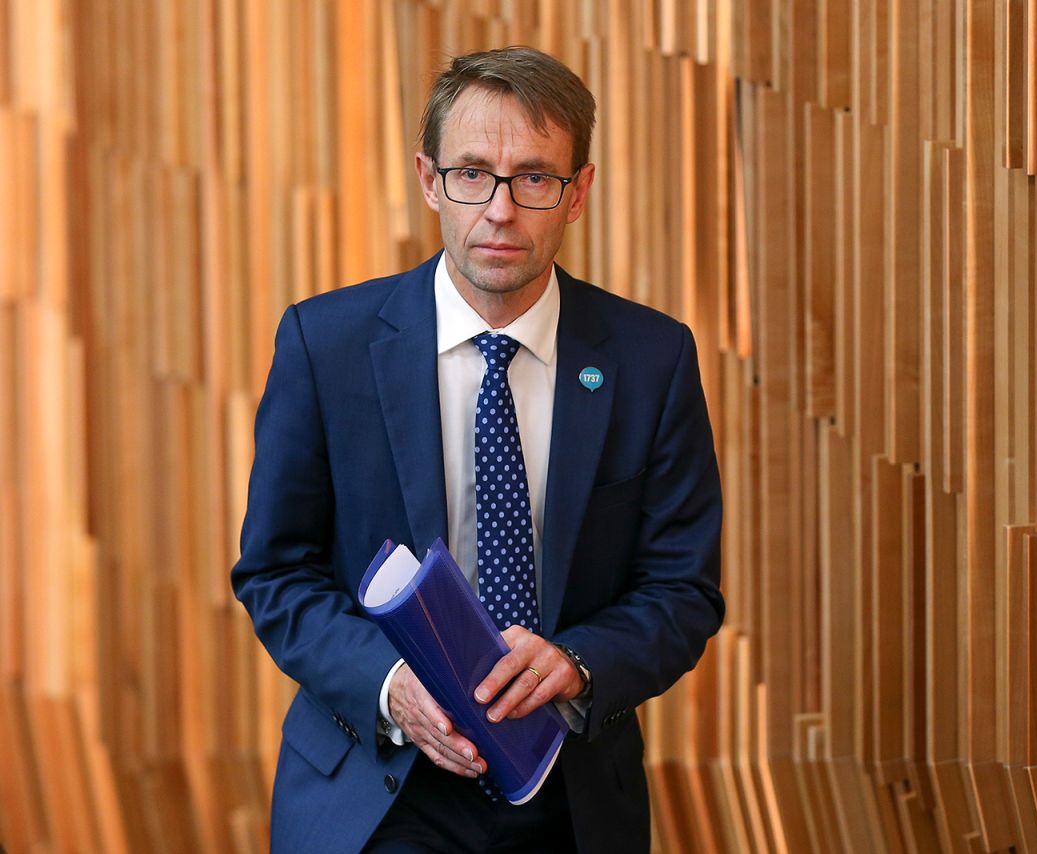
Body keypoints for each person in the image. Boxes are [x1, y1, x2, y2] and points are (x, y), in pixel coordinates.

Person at [231, 46, 724, 853]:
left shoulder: (651, 359)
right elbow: (276, 573)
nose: (499, 209)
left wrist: (577, 661)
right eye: (472, 174)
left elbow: (683, 590)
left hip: (570, 795)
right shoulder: (328, 345)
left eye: (534, 178)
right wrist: (391, 688)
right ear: (429, 180)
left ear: (578, 193)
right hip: (379, 793)